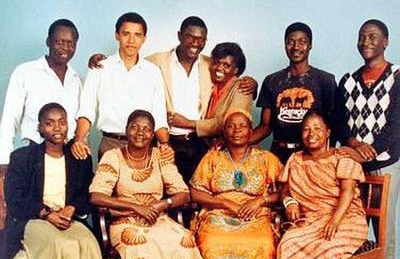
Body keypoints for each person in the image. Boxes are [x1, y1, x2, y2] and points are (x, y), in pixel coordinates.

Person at [89, 16, 257, 183]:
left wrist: (252, 84)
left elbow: (229, 80)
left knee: (198, 191)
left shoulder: (210, 64)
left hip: (200, 142)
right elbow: (130, 63)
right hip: (166, 142)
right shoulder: (156, 62)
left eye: (200, 39)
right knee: (164, 189)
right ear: (179, 36)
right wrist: (100, 60)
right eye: (189, 37)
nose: (195, 43)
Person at [89, 109, 204, 259]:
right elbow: (96, 196)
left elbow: (184, 194)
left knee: (183, 239)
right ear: (126, 130)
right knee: (144, 248)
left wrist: (161, 204)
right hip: (125, 222)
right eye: (135, 127)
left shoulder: (160, 156)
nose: (140, 133)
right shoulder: (113, 156)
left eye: (147, 129)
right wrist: (137, 207)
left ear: (152, 135)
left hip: (158, 218)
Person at [0, 103, 103, 259]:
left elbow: (87, 191)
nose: (57, 128)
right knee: (61, 243)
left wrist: (72, 207)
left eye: (62, 122)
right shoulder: (23, 157)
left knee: (89, 241)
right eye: (50, 123)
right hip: (34, 219)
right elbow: (15, 197)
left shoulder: (78, 157)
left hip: (67, 218)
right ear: (40, 127)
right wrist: (46, 214)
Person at [334, 19, 400, 259]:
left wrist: (364, 153)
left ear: (386, 42)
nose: (366, 42)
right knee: (353, 223)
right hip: (353, 164)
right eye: (362, 37)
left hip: (384, 162)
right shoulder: (348, 80)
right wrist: (352, 143)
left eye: (373, 37)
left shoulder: (396, 76)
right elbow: (338, 120)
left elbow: (396, 125)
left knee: (383, 228)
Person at [190, 110, 282, 259]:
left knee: (263, 243)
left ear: (251, 131)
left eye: (242, 126)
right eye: (231, 126)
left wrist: (260, 201)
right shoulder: (212, 158)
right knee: (211, 243)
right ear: (224, 132)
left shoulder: (267, 159)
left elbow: (282, 192)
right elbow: (195, 193)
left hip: (256, 215)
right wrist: (225, 204)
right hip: (217, 214)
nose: (237, 129)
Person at [277, 109, 368, 259]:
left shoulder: (343, 157)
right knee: (287, 244)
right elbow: (284, 191)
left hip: (345, 219)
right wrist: (290, 202)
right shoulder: (295, 159)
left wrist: (334, 221)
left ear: (327, 133)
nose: (311, 133)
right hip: (310, 221)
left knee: (327, 249)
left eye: (317, 128)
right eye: (306, 129)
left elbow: (348, 191)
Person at [72, 12, 169, 160]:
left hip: (144, 146)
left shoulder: (153, 72)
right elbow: (86, 110)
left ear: (144, 38)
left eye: (137, 35)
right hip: (110, 145)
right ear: (117, 35)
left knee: (143, 183)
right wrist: (78, 140)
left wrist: (164, 143)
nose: (131, 40)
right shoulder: (100, 68)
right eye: (126, 34)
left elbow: (159, 116)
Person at [0, 19, 81, 168]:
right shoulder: (25, 72)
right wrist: (3, 162)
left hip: (67, 155)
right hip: (34, 154)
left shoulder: (76, 79)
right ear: (48, 41)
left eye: (71, 43)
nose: (66, 48)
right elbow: (10, 119)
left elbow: (79, 120)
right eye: (60, 42)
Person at [252, 22, 336, 164]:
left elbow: (332, 124)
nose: (296, 47)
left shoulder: (325, 80)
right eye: (291, 42)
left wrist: (325, 157)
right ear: (285, 45)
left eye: (302, 42)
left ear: (310, 45)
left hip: (311, 155)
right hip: (279, 154)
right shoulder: (272, 80)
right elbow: (265, 126)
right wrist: (236, 143)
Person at [169, 42, 252, 149]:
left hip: (232, 151)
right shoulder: (212, 84)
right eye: (216, 63)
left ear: (235, 70)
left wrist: (188, 123)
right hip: (206, 148)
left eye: (226, 65)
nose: (219, 68)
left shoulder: (242, 87)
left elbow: (228, 123)